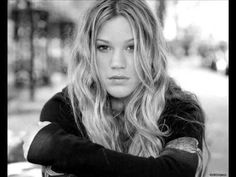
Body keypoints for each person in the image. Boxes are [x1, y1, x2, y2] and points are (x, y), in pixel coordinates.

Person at [23, 0, 210, 176]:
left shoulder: (181, 110)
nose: (117, 63)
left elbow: (175, 173)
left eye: (132, 47)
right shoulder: (64, 109)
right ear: (88, 52)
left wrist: (62, 150)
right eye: (103, 47)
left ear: (151, 52)